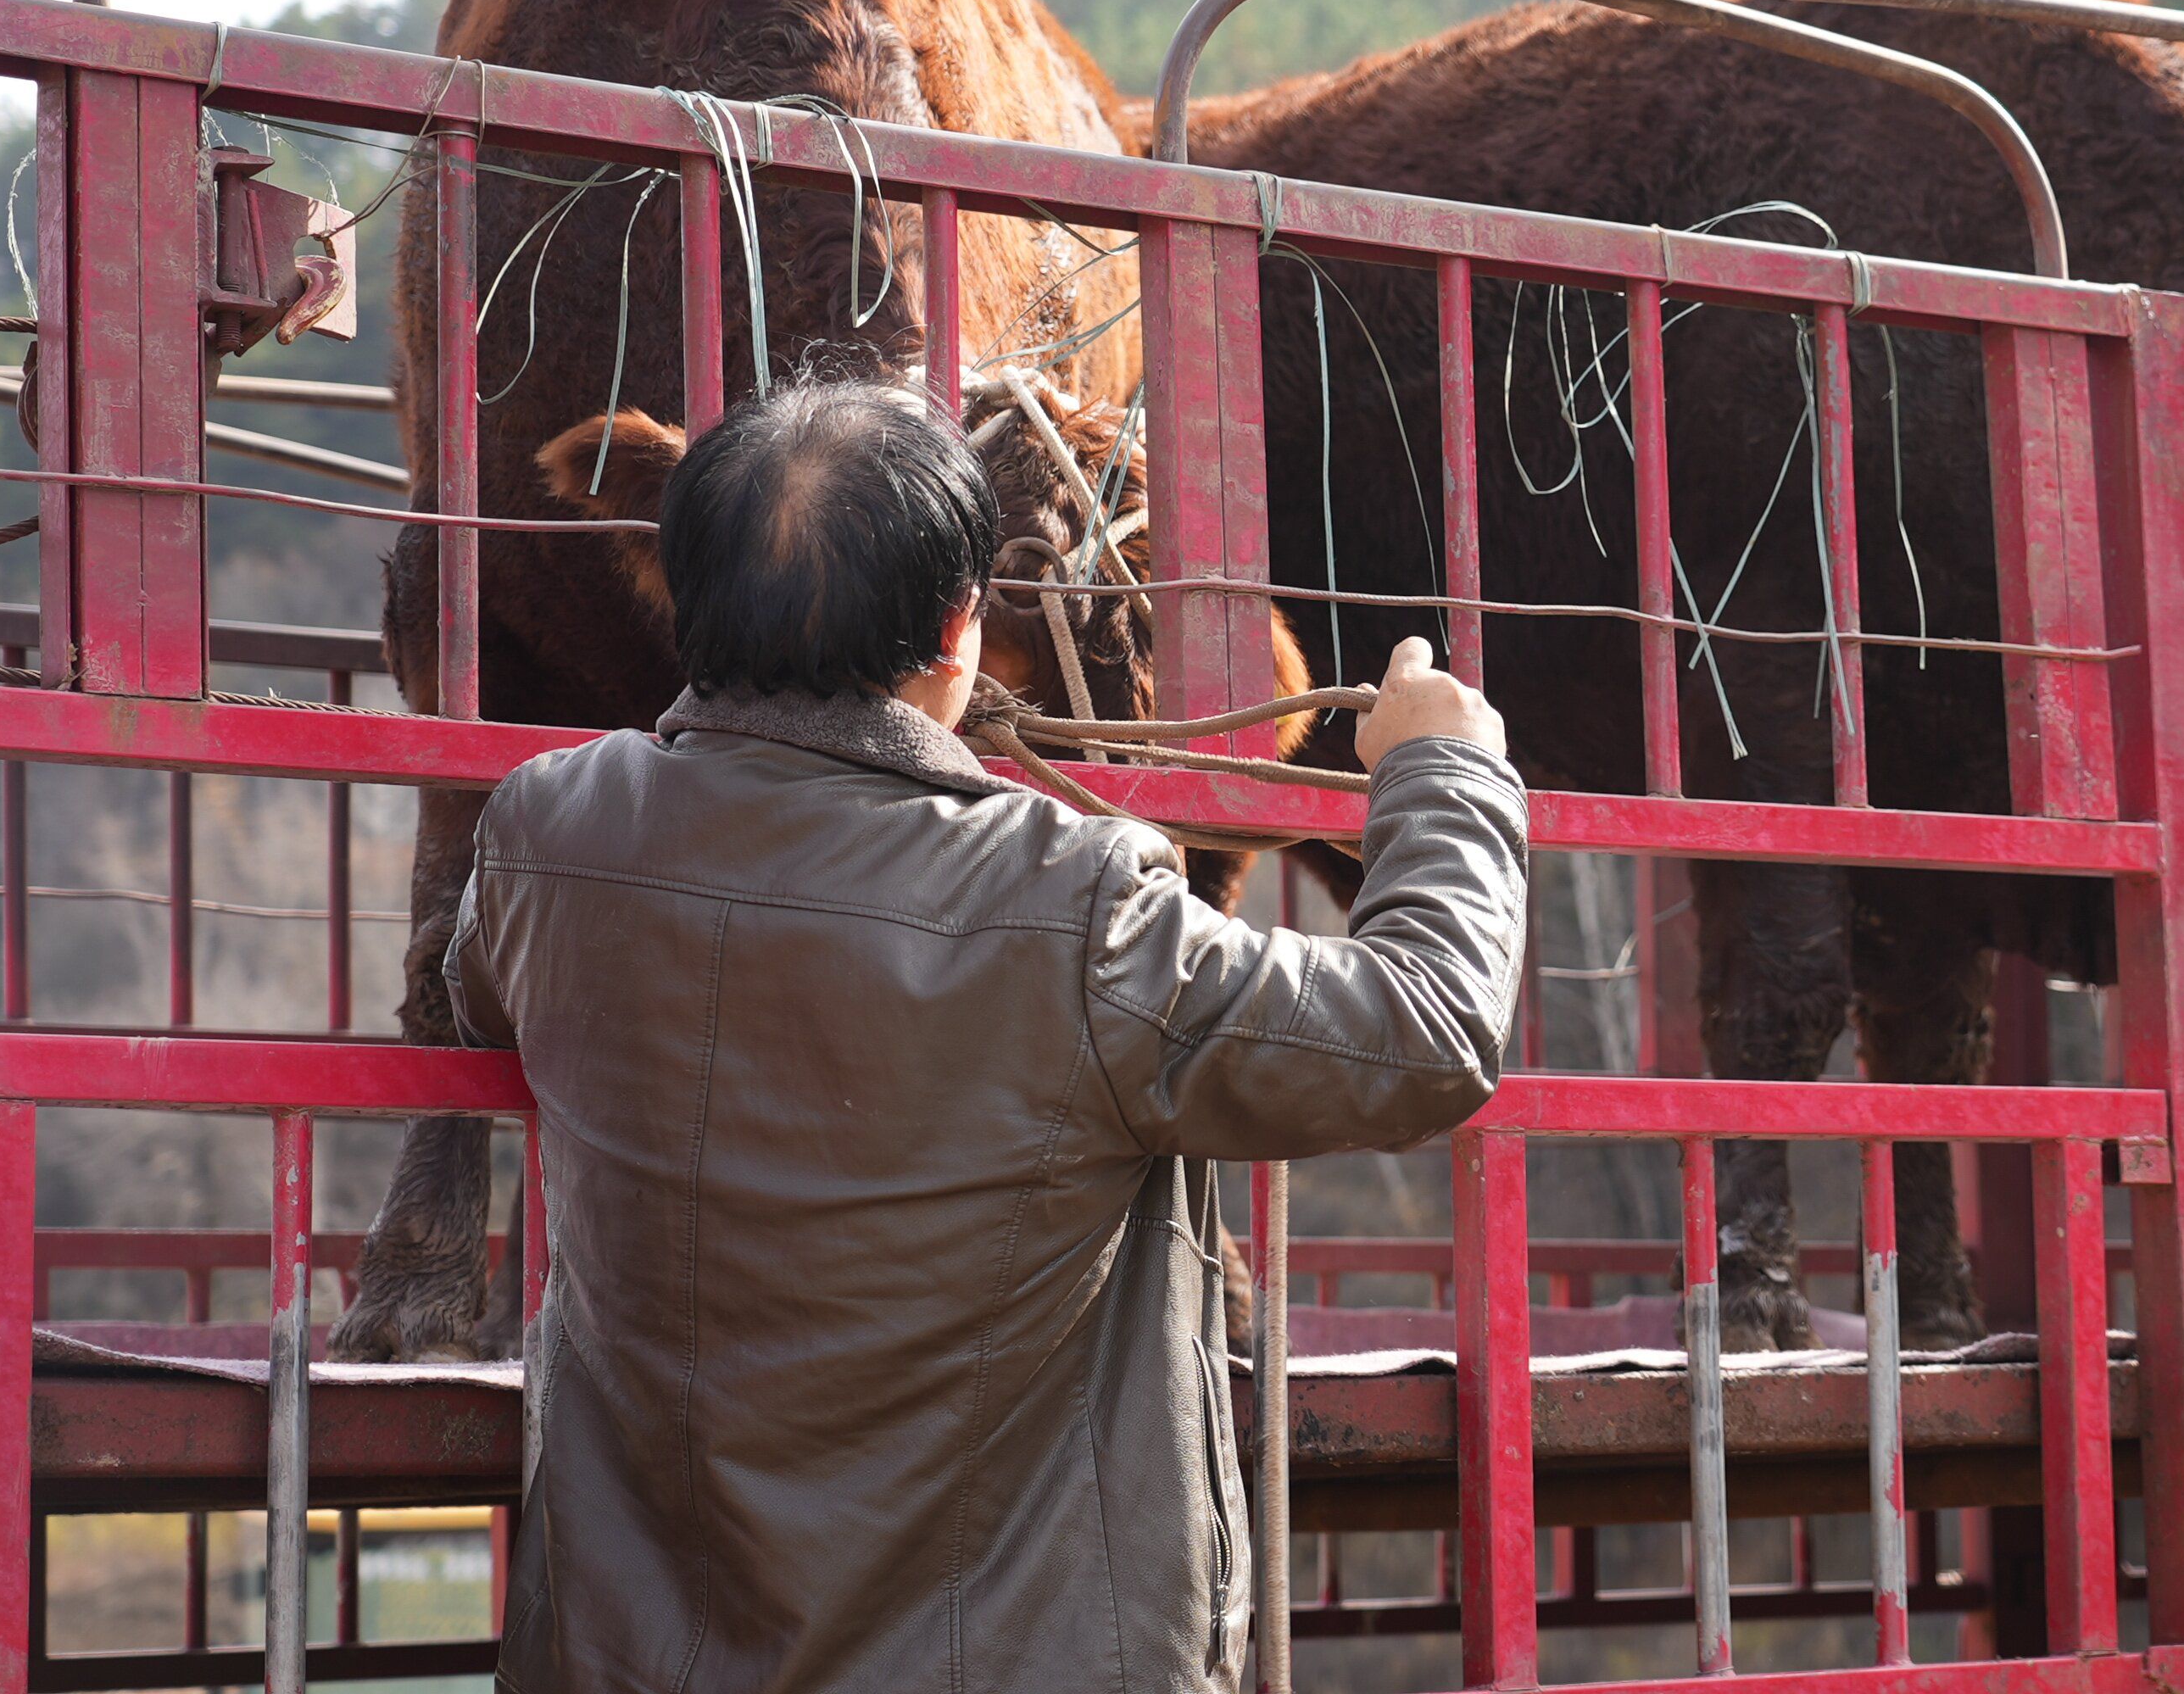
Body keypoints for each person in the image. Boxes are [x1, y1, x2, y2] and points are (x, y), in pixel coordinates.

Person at [447, 378, 1524, 1694]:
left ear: (682, 597)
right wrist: (1446, 771)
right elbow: (1422, 1029)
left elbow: (478, 992)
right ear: (962, 632)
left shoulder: (547, 832)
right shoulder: (1073, 901)